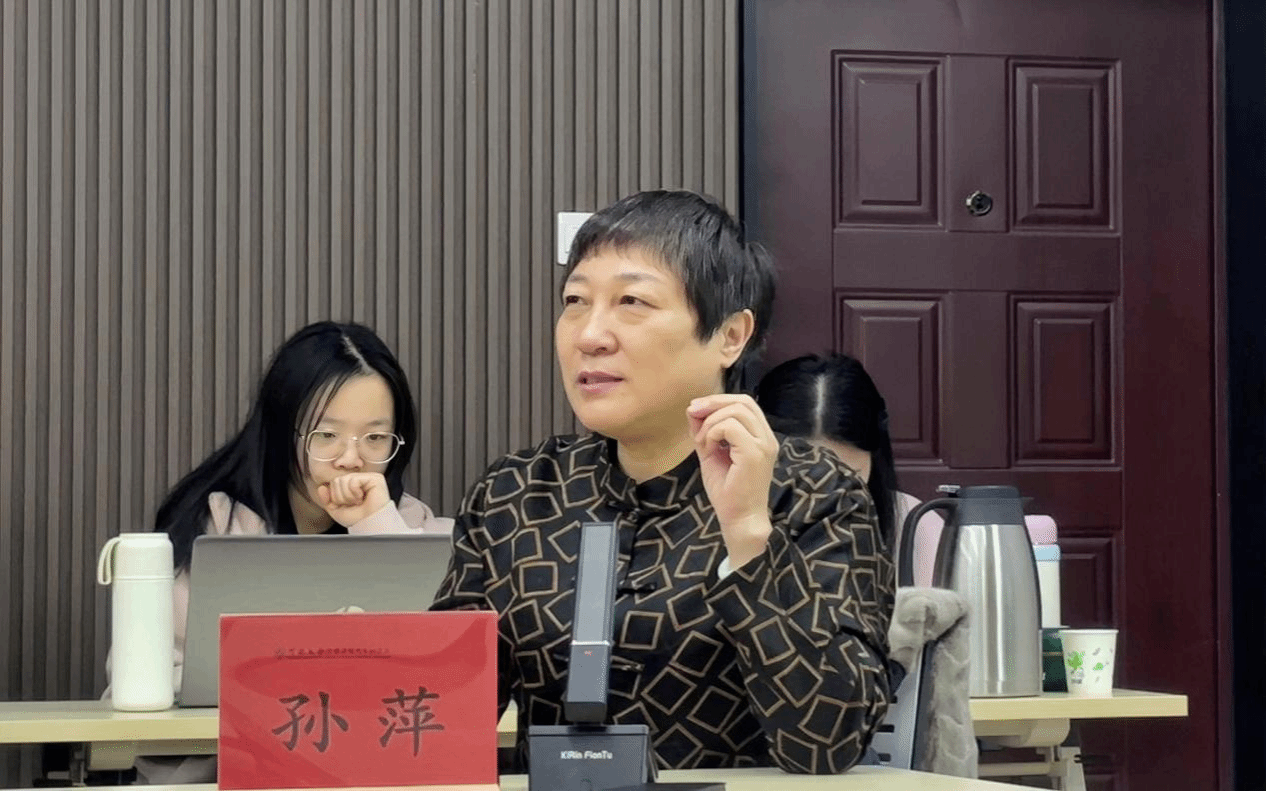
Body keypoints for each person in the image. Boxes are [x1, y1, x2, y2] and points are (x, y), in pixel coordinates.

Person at [431, 191, 894, 774]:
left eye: (632, 301)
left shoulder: (815, 493)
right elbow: (441, 719)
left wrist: (749, 535)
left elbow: (829, 743)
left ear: (730, 335)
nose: (590, 335)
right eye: (575, 301)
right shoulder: (516, 493)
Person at [107, 320, 451, 783]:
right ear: (282, 431)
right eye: (326, 436)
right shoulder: (214, 527)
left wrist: (375, 524)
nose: (351, 459)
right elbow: (137, 682)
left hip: (371, 771)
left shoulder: (410, 526)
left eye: (375, 438)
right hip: (228, 774)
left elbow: (444, 670)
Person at [755, 353, 943, 588]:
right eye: (808, 476)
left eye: (849, 476)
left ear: (875, 455)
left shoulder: (915, 526)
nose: (828, 498)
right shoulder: (726, 523)